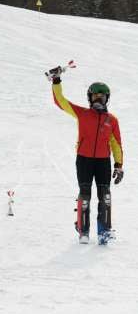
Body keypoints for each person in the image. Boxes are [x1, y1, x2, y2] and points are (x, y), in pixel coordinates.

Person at [50, 70, 124, 244]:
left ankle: (104, 231)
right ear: (89, 98)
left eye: (102, 97)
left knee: (105, 194)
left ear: (107, 99)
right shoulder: (82, 113)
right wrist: (56, 80)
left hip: (103, 161)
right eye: (95, 97)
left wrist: (119, 165)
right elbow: (60, 101)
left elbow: (116, 144)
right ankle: (83, 231)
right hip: (84, 159)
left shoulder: (111, 120)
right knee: (85, 194)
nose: (99, 100)